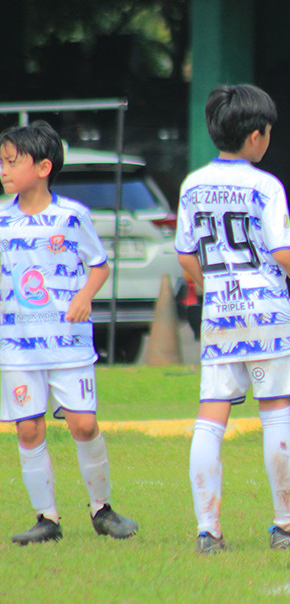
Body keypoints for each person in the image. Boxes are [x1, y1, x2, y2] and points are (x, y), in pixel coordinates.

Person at [175, 84, 290, 555]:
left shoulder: (193, 184)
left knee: (210, 420)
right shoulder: (265, 185)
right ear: (255, 136)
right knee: (275, 415)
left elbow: (186, 256)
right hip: (266, 312)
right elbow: (284, 252)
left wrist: (216, 290)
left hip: (220, 316)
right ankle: (286, 529)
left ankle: (209, 533)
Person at [0, 120, 138, 544]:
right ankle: (47, 518)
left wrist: (85, 296)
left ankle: (102, 509)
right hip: (17, 348)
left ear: (43, 167)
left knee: (83, 424)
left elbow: (99, 265)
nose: (3, 170)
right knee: (28, 429)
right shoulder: (2, 219)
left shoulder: (72, 216)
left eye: (10, 162)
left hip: (69, 344)